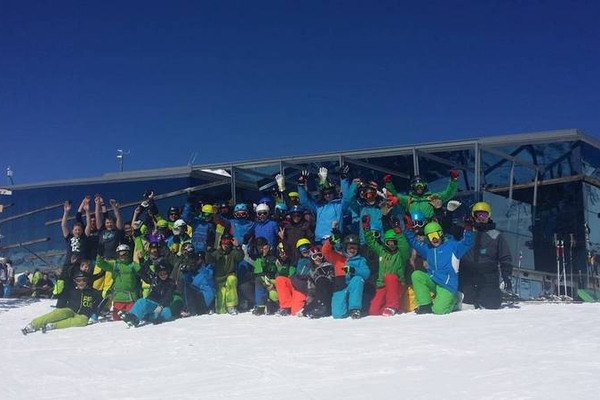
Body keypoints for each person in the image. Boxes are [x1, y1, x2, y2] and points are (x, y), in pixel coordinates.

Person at [404, 219, 474, 314]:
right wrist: (408, 229)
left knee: (439, 311)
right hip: (434, 280)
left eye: (436, 235)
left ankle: (454, 301)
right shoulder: (428, 249)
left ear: (441, 234)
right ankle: (425, 305)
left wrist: (468, 229)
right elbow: (414, 243)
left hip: (447, 285)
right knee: (417, 275)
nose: (434, 239)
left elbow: (467, 243)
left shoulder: (452, 246)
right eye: (430, 236)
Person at [459, 202, 514, 309]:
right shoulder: (465, 232)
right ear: (473, 216)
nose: (481, 218)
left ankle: (488, 297)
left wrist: (506, 275)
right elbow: (447, 234)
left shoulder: (496, 235)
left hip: (488, 274)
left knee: (491, 306)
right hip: (468, 274)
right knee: (465, 307)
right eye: (478, 215)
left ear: (489, 216)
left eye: (485, 215)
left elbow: (505, 257)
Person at [21, 272, 101, 335]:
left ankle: (54, 325)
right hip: (70, 309)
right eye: (78, 280)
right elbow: (59, 296)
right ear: (75, 281)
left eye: (84, 280)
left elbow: (100, 300)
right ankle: (34, 324)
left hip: (83, 314)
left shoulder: (93, 292)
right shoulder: (71, 290)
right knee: (59, 313)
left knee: (82, 321)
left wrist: (95, 312)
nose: (81, 282)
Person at [363, 216, 410, 316]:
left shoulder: (401, 253)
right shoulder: (382, 252)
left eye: (394, 242)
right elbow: (371, 242)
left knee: (390, 276)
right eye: (389, 242)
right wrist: (366, 227)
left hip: (397, 284)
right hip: (383, 285)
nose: (392, 244)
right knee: (373, 311)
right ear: (385, 242)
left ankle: (392, 306)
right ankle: (396, 307)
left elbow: (404, 245)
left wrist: (398, 232)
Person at [322, 230, 371, 319]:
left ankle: (355, 309)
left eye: (354, 248)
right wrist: (331, 241)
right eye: (350, 248)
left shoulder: (360, 260)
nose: (352, 250)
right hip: (340, 285)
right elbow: (325, 252)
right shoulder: (338, 258)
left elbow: (366, 273)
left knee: (358, 279)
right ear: (345, 248)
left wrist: (354, 270)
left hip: (353, 284)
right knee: (337, 314)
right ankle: (344, 306)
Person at [384, 170, 460, 221]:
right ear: (412, 187)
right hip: (415, 228)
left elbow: (448, 193)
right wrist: (388, 184)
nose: (419, 188)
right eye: (416, 185)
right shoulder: (408, 200)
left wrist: (454, 180)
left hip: (430, 226)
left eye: (421, 185)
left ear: (425, 185)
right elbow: (394, 196)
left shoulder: (432, 197)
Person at [119, 261, 177, 327]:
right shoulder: (155, 281)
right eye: (161, 274)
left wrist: (161, 306)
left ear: (168, 273)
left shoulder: (171, 283)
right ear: (158, 274)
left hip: (162, 305)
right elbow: (144, 274)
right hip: (152, 303)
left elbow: (168, 296)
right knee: (142, 301)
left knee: (167, 312)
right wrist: (141, 260)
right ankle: (133, 318)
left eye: (165, 273)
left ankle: (151, 317)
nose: (163, 276)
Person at [95, 244, 142, 320]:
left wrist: (141, 260)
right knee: (117, 320)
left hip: (131, 297)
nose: (123, 256)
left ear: (129, 254)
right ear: (117, 255)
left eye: (125, 254)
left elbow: (141, 270)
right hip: (118, 297)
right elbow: (101, 264)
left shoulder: (132, 265)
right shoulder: (115, 265)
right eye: (121, 254)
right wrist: (99, 255)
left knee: (130, 317)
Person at [206, 233, 244, 315]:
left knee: (232, 280)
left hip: (229, 277)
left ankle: (231, 306)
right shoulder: (217, 253)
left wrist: (238, 247)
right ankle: (220, 307)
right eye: (223, 242)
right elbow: (209, 260)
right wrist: (208, 251)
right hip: (219, 280)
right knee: (221, 310)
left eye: (227, 243)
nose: (225, 245)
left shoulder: (233, 253)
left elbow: (240, 257)